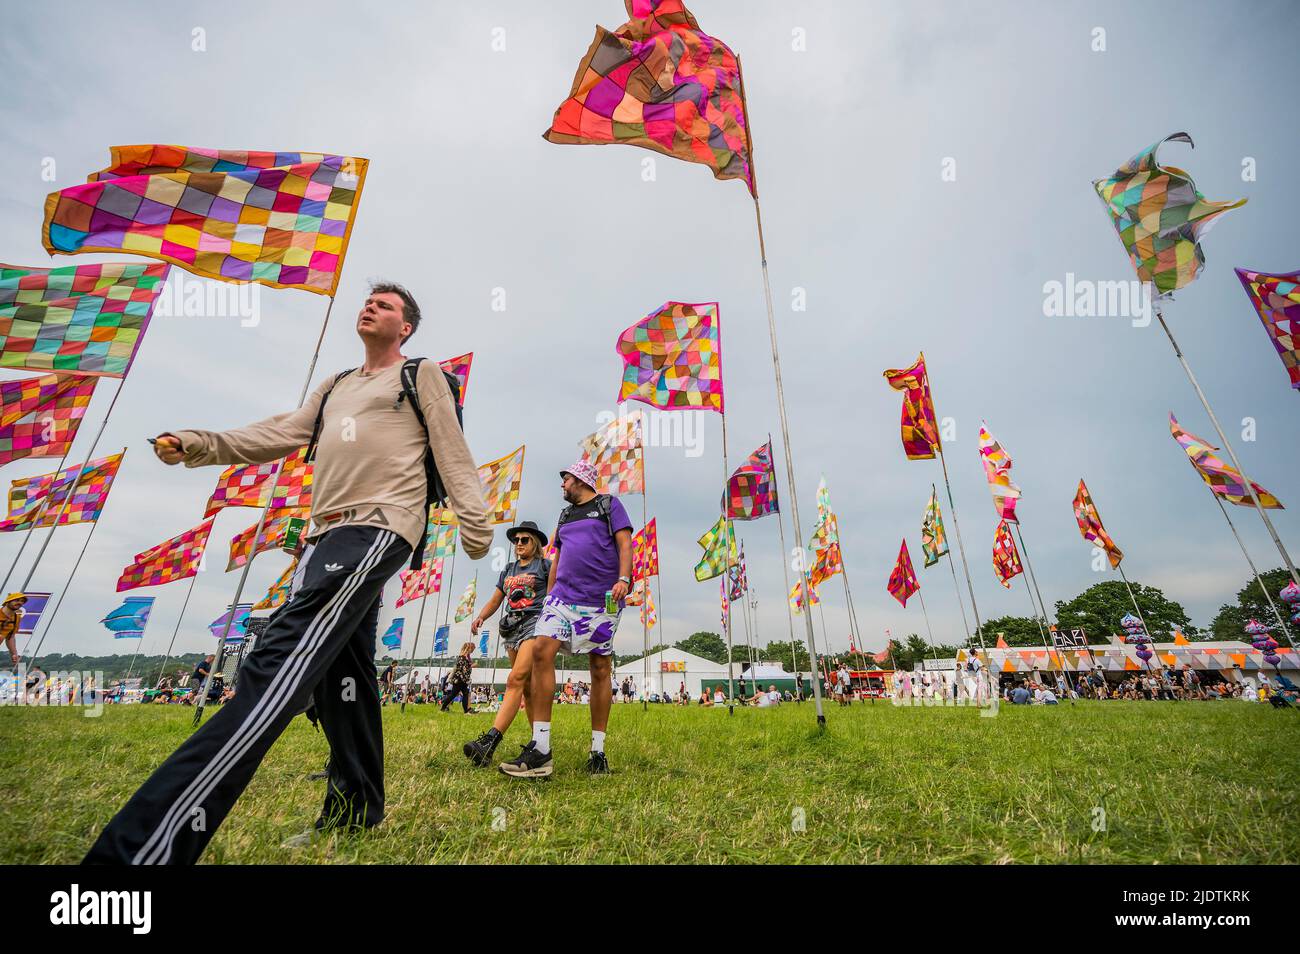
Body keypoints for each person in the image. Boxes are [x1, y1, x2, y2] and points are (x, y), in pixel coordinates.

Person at [84, 282, 491, 865]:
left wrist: (476, 525)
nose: (370, 305)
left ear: (406, 327)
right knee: (342, 677)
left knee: (275, 665)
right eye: (367, 299)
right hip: (324, 534)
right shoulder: (336, 385)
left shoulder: (421, 374)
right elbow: (279, 432)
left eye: (386, 303)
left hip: (380, 526)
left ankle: (140, 856)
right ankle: (354, 811)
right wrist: (200, 442)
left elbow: (452, 449)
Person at [496, 459, 632, 779]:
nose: (562, 484)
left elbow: (625, 542)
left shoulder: (609, 505)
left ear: (581, 479)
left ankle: (597, 751)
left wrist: (624, 579)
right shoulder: (566, 514)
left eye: (565, 479)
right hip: (563, 599)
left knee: (600, 667)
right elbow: (558, 556)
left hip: (603, 599)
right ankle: (541, 748)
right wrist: (550, 595)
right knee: (542, 649)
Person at [462, 521, 552, 765]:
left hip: (534, 624)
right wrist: (481, 616)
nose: (519, 544)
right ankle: (539, 745)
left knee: (514, 679)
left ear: (536, 543)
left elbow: (556, 592)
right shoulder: (509, 569)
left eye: (525, 540)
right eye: (516, 540)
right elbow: (496, 599)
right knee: (525, 688)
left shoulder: (544, 566)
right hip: (511, 628)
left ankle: (489, 742)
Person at [442, 642, 476, 713]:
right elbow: (462, 668)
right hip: (460, 680)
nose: (473, 650)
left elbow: (465, 668)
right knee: (453, 694)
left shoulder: (466, 657)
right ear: (468, 648)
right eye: (472, 649)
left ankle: (466, 710)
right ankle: (443, 707)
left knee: (464, 693)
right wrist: (471, 666)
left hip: (463, 679)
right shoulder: (462, 657)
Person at [1, 593, 27, 666]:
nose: (19, 603)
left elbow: (10, 637)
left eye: (22, 601)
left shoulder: (16, 618)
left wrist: (14, 654)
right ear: (8, 601)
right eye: (17, 600)